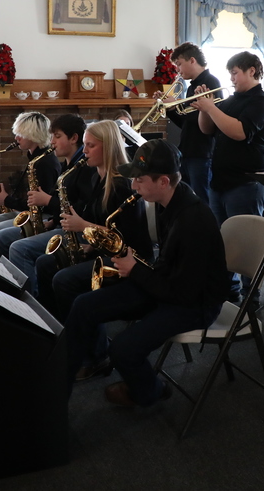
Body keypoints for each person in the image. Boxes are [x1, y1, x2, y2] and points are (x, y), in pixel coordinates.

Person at [64, 139, 232, 408]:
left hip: (195, 304)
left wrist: (134, 270)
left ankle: (151, 391)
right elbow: (168, 270)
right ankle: (61, 380)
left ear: (163, 181)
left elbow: (183, 293)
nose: (133, 186)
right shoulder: (172, 202)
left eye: (139, 180)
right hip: (168, 285)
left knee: (122, 349)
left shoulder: (194, 222)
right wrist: (135, 266)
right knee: (84, 304)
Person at [35, 120, 152, 380]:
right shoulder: (99, 177)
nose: (84, 151)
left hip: (129, 262)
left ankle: (96, 355)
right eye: (85, 145)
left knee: (64, 281)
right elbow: (103, 224)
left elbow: (127, 238)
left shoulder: (122, 184)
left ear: (107, 147)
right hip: (103, 251)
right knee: (46, 264)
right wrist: (88, 241)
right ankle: (64, 334)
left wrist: (83, 225)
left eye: (90, 145)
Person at [191, 50, 264, 303]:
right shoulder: (231, 100)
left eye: (235, 73)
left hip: (247, 182)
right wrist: (205, 106)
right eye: (230, 74)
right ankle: (228, 291)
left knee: (248, 243)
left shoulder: (261, 102)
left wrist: (210, 107)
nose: (232, 78)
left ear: (251, 70)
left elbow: (239, 132)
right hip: (221, 182)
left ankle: (251, 295)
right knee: (222, 242)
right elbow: (206, 129)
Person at [0, 114, 90, 292]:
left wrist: (47, 201)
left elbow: (79, 208)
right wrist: (53, 221)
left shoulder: (82, 167)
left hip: (78, 230)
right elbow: (66, 200)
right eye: (52, 137)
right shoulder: (68, 164)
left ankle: (30, 303)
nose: (52, 142)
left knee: (18, 248)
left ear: (74, 138)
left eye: (57, 136)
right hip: (59, 223)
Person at [0, 111, 60, 247]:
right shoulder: (33, 156)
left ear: (33, 135)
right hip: (27, 212)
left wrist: (7, 200)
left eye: (21, 134)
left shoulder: (45, 163)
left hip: (42, 216)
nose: (16, 138)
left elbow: (40, 206)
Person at [157, 42, 221, 203]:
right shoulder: (192, 87)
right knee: (187, 199)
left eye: (179, 64)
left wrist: (177, 103)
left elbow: (209, 119)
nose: (178, 69)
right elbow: (186, 122)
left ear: (192, 60)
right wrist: (170, 108)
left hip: (202, 153)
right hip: (188, 151)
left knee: (203, 200)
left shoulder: (210, 82)